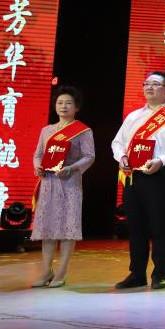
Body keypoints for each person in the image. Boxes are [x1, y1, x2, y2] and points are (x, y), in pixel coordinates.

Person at [111, 71, 165, 290]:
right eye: (146, 83)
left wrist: (162, 160)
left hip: (161, 174)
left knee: (160, 225)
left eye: (155, 84)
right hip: (134, 176)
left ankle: (159, 274)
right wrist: (122, 157)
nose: (149, 87)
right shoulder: (133, 117)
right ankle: (137, 274)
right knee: (135, 226)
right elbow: (117, 142)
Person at [30, 86, 95, 288]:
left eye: (68, 103)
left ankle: (61, 272)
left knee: (67, 229)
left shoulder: (83, 131)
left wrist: (71, 168)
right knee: (47, 229)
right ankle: (45, 271)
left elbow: (89, 156)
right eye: (59, 103)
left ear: (76, 107)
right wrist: (37, 166)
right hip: (48, 184)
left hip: (69, 184)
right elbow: (38, 154)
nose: (63, 106)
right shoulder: (47, 130)